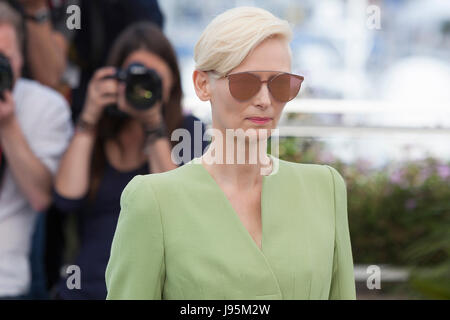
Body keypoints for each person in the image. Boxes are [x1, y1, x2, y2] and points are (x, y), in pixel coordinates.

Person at [105, 7, 357, 300]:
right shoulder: (152, 200)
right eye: (245, 83)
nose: (265, 100)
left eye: (281, 84)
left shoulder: (325, 188)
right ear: (202, 85)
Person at [52, 22, 209, 300]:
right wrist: (89, 118)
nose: (143, 89)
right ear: (117, 80)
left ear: (171, 82)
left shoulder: (189, 130)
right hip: (85, 288)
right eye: (135, 78)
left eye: (153, 79)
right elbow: (66, 197)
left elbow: (177, 211)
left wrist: (154, 128)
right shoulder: (97, 130)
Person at [0, 2, 73, 299]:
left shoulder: (46, 107)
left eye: (3, 57)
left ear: (20, 58)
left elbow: (41, 197)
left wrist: (8, 123)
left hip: (9, 282)